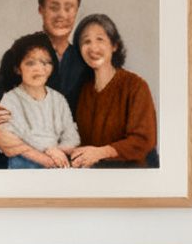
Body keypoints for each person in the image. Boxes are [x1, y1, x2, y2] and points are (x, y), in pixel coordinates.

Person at [0, 0, 90, 168]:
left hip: (64, 161)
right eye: (54, 7)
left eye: (69, 7)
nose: (61, 14)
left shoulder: (84, 61)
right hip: (19, 160)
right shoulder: (18, 53)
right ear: (41, 10)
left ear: (77, 10)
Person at [66, 13, 157, 169]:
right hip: (92, 177)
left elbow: (143, 140)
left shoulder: (135, 86)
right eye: (86, 41)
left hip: (131, 176)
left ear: (114, 45)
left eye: (100, 39)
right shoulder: (82, 90)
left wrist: (101, 153)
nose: (93, 47)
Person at [0, 32, 79, 169]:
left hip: (57, 161)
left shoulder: (59, 100)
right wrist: (48, 151)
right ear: (17, 68)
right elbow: (12, 140)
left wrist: (57, 153)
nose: (39, 69)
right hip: (24, 163)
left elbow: (72, 137)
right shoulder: (10, 100)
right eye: (30, 63)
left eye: (46, 62)